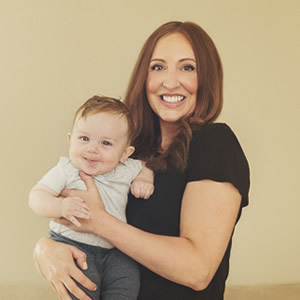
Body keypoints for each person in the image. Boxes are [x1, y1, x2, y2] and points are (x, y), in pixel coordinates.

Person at [33, 21, 250, 300]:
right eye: (158, 67)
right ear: (143, 77)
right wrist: (45, 249)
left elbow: (198, 271)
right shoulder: (126, 150)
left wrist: (99, 223)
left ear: (207, 77)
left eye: (187, 67)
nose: (170, 82)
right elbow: (68, 209)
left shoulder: (215, 143)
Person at [29, 96, 154, 300]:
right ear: (70, 140)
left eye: (105, 143)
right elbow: (36, 197)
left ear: (125, 153)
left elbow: (145, 166)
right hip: (72, 246)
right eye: (84, 139)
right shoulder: (66, 170)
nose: (92, 149)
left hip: (116, 251)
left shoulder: (125, 169)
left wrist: (145, 179)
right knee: (81, 289)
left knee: (128, 279)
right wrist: (61, 206)